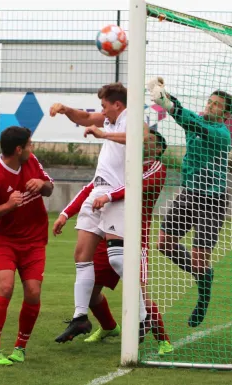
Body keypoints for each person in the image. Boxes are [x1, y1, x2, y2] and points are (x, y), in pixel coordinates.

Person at [53, 129, 174, 355]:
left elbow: (131, 187)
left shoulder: (156, 168)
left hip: (134, 238)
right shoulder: (120, 166)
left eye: (149, 141)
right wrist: (65, 214)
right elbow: (90, 188)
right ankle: (109, 328)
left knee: (138, 291)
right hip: (105, 233)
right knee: (89, 290)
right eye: (142, 139)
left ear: (158, 149)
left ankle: (163, 340)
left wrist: (107, 196)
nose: (143, 143)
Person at [49, 83, 152, 342]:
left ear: (118, 104)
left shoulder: (133, 118)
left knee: (118, 260)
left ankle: (142, 318)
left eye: (105, 106)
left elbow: (140, 137)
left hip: (117, 195)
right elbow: (83, 118)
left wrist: (104, 134)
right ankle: (80, 317)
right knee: (81, 255)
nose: (102, 112)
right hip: (97, 192)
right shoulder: (109, 119)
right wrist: (64, 109)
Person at [147, 77, 232, 327]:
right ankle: (203, 274)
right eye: (210, 101)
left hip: (213, 199)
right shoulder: (196, 121)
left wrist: (167, 104)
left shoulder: (220, 134)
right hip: (189, 194)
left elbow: (191, 122)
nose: (210, 105)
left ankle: (203, 291)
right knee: (164, 243)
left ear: (225, 114)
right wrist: (163, 92)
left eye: (217, 105)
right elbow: (183, 115)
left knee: (198, 259)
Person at [0, 126, 54, 366]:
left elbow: (50, 187)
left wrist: (42, 183)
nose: (33, 148)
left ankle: (20, 347)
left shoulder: (32, 162)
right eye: (30, 144)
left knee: (33, 292)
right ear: (19, 150)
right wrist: (8, 206)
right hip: (3, 240)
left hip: (34, 239)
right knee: (5, 287)